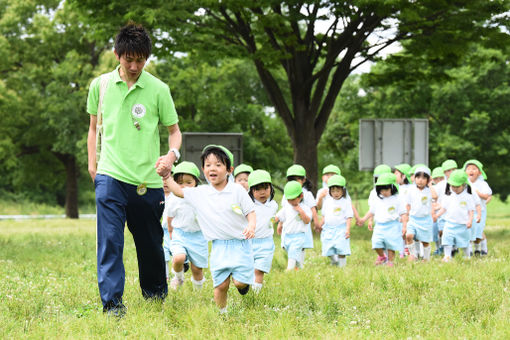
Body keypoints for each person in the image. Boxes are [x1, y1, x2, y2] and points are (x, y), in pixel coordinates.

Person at [86, 23, 182, 317]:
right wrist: (93, 164)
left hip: (147, 181)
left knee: (151, 243)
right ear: (117, 54)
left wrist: (171, 155)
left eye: (140, 60)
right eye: (129, 59)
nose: (134, 65)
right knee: (110, 242)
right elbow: (93, 130)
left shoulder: (158, 90)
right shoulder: (99, 86)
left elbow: (175, 132)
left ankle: (154, 296)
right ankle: (112, 305)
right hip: (110, 175)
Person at [165, 145, 256, 314]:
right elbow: (178, 191)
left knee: (239, 283)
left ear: (229, 169)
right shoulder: (201, 193)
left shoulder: (237, 191)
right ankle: (223, 314)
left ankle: (244, 286)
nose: (212, 168)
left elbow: (250, 211)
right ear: (203, 169)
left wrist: (251, 225)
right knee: (221, 285)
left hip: (240, 244)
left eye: (218, 164)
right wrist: (166, 176)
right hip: (218, 246)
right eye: (208, 165)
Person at [166, 161, 207, 291]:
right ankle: (179, 277)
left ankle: (198, 293)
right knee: (178, 258)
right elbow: (169, 216)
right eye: (180, 183)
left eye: (189, 183)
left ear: (196, 183)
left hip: (198, 236)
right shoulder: (173, 198)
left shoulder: (200, 197)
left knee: (197, 269)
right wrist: (171, 232)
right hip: (180, 233)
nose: (184, 187)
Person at [359, 173, 408, 267]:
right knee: (376, 243)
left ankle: (390, 262)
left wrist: (404, 226)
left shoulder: (398, 199)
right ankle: (382, 256)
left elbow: (403, 213)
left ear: (392, 187)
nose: (384, 192)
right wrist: (363, 219)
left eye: (386, 189)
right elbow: (371, 211)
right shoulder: (378, 199)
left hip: (393, 225)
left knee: (391, 245)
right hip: (379, 226)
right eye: (381, 189)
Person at [281, 165, 319, 264]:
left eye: (297, 179)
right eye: (292, 180)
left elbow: (313, 209)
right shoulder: (286, 194)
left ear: (303, 180)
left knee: (301, 246)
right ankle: (296, 264)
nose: (294, 182)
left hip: (302, 226)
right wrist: (280, 224)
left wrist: (316, 223)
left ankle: (298, 265)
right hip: (289, 225)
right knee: (288, 246)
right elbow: (284, 210)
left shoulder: (307, 194)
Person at [434, 170, 475, 262]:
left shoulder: (468, 196)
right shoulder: (448, 196)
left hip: (463, 225)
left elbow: (471, 210)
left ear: (464, 185)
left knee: (464, 242)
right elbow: (444, 208)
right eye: (452, 186)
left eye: (457, 186)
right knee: (447, 240)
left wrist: (470, 220)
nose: (454, 188)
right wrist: (437, 215)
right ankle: (447, 256)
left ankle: (467, 256)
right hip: (449, 223)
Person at [247, 170, 278, 292]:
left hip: (266, 243)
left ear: (270, 188)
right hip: (249, 242)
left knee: (259, 270)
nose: (262, 192)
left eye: (265, 188)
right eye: (257, 189)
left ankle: (256, 295)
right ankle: (247, 290)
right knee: (248, 269)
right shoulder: (248, 205)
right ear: (251, 191)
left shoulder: (274, 205)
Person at [318, 175, 353, 267]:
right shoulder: (327, 202)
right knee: (327, 247)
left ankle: (342, 266)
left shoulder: (345, 202)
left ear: (343, 190)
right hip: (328, 229)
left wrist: (348, 229)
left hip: (341, 228)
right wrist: (320, 226)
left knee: (341, 248)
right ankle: (334, 260)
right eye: (333, 191)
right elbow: (324, 216)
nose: (335, 193)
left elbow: (349, 217)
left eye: (338, 191)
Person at [276, 181, 312, 270]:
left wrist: (301, 211)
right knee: (291, 252)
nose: (290, 202)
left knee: (293, 251)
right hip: (288, 235)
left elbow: (307, 221)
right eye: (288, 200)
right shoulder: (287, 207)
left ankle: (289, 269)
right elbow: (280, 217)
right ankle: (299, 266)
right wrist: (278, 224)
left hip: (299, 236)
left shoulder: (305, 208)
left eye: (293, 199)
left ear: (301, 196)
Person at [405, 166, 437, 261]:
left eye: (423, 178)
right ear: (414, 178)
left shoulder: (429, 190)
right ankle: (413, 255)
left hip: (425, 220)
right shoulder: (411, 189)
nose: (420, 180)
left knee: (425, 241)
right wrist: (406, 216)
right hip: (413, 218)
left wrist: (430, 185)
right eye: (418, 177)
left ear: (428, 179)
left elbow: (435, 197)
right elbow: (408, 204)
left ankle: (426, 258)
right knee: (409, 236)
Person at [463, 159, 492, 256]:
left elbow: (487, 196)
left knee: (478, 232)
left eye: (474, 169)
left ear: (479, 172)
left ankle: (483, 248)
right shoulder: (464, 183)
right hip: (468, 212)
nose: (471, 171)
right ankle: (470, 251)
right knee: (469, 230)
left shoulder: (482, 184)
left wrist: (477, 193)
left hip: (480, 211)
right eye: (468, 169)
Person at [431, 167, 445, 255]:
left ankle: (445, 247)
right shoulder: (432, 188)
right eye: (436, 178)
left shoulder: (447, 186)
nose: (439, 180)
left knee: (442, 231)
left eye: (441, 178)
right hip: (435, 213)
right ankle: (438, 248)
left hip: (444, 212)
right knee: (435, 231)